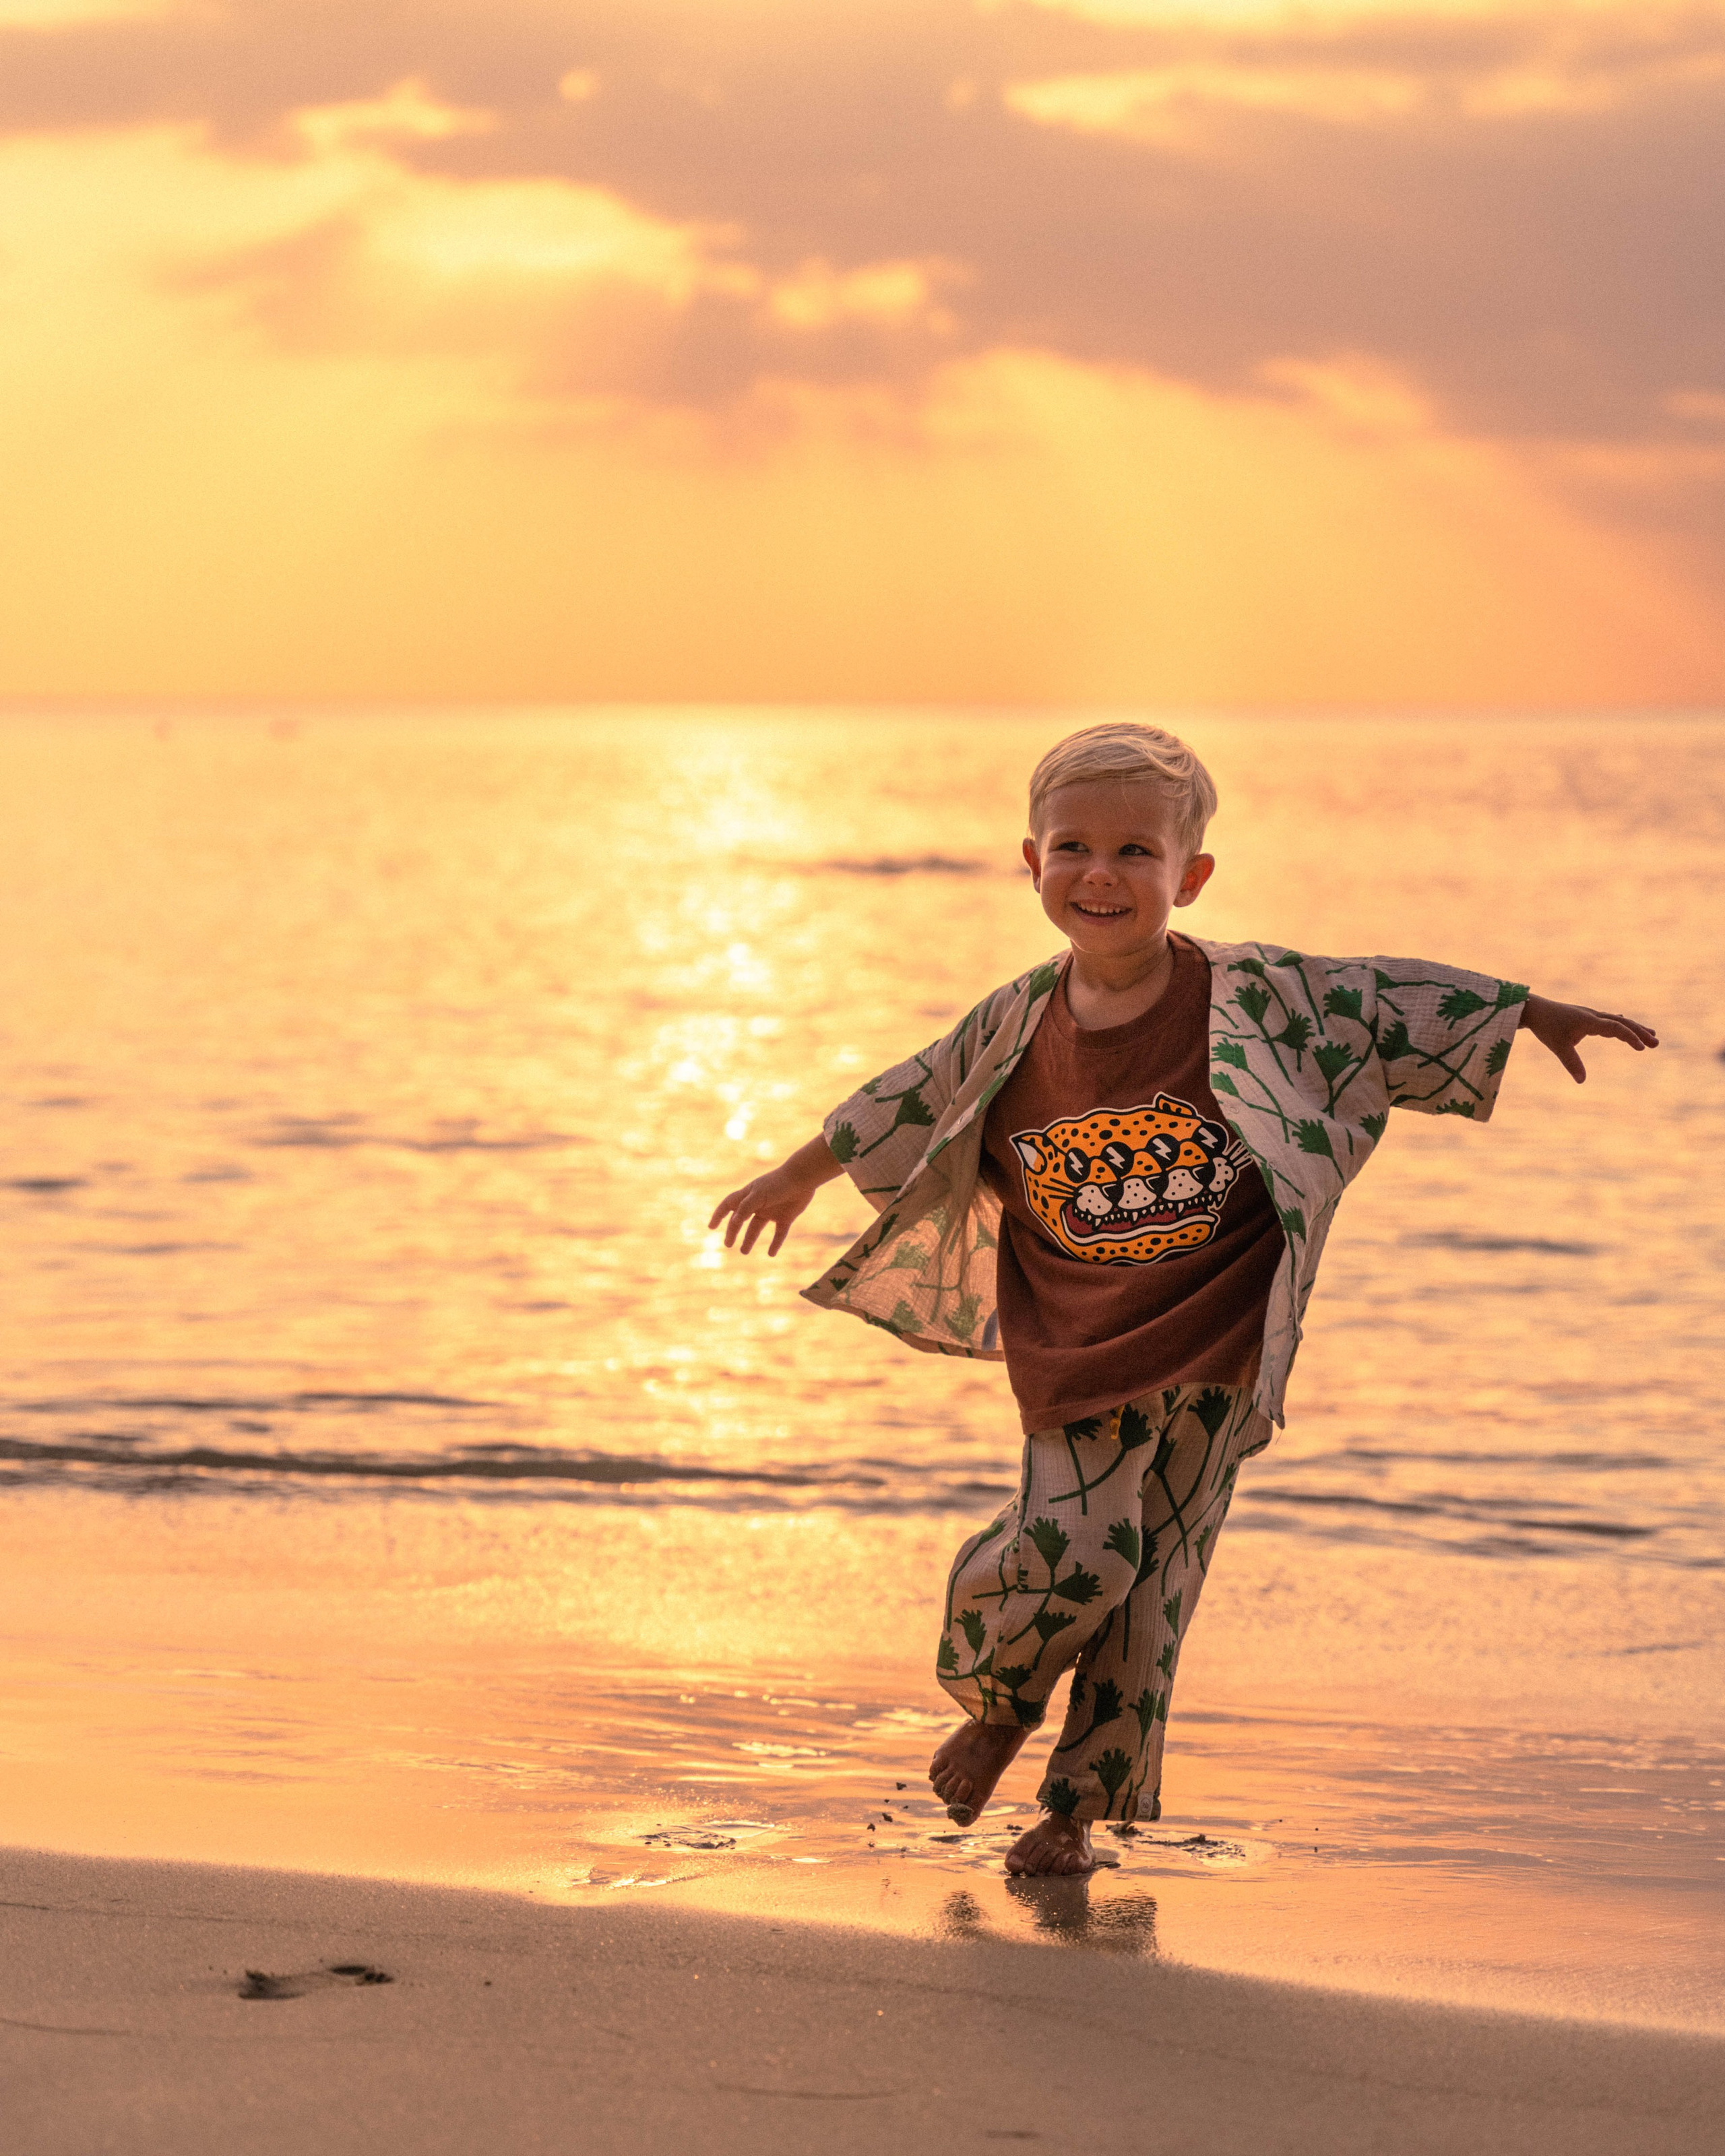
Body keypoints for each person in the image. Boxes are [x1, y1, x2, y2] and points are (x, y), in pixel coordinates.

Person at [708, 722, 1658, 1878]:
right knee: (1078, 1541)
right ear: (1030, 861)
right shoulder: (1013, 1019)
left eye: (1133, 853)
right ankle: (1004, 1701)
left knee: (1153, 1585)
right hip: (1080, 1338)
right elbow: (907, 1099)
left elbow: (1379, 1004)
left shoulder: (1254, 996)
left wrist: (1529, 1014)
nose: (1099, 874)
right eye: (1072, 847)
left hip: (1218, 1337)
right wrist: (795, 1175)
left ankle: (1075, 1813)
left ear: (1188, 875)